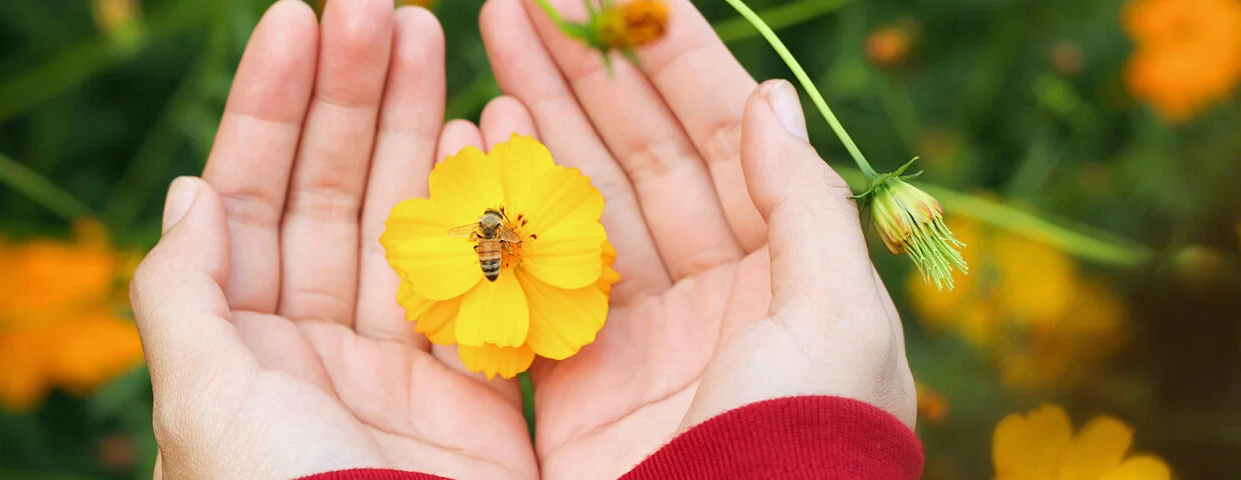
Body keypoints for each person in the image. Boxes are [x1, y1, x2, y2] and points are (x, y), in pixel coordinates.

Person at [128, 0, 922, 478]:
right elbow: (463, 248)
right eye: (497, 238)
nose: (501, 238)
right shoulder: (475, 244)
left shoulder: (539, 233)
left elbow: (522, 221)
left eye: (503, 235)